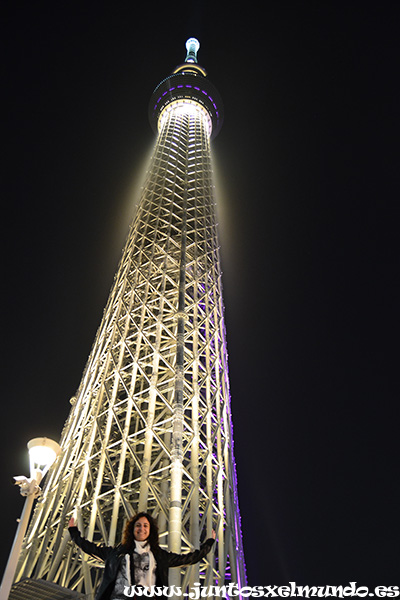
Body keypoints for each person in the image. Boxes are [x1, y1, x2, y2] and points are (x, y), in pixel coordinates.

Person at [68, 513, 215, 600]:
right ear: (132, 529)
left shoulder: (159, 556)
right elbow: (90, 548)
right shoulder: (115, 553)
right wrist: (74, 532)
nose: (141, 528)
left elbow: (188, 559)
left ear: (150, 531)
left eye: (145, 526)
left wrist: (208, 544)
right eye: (138, 525)